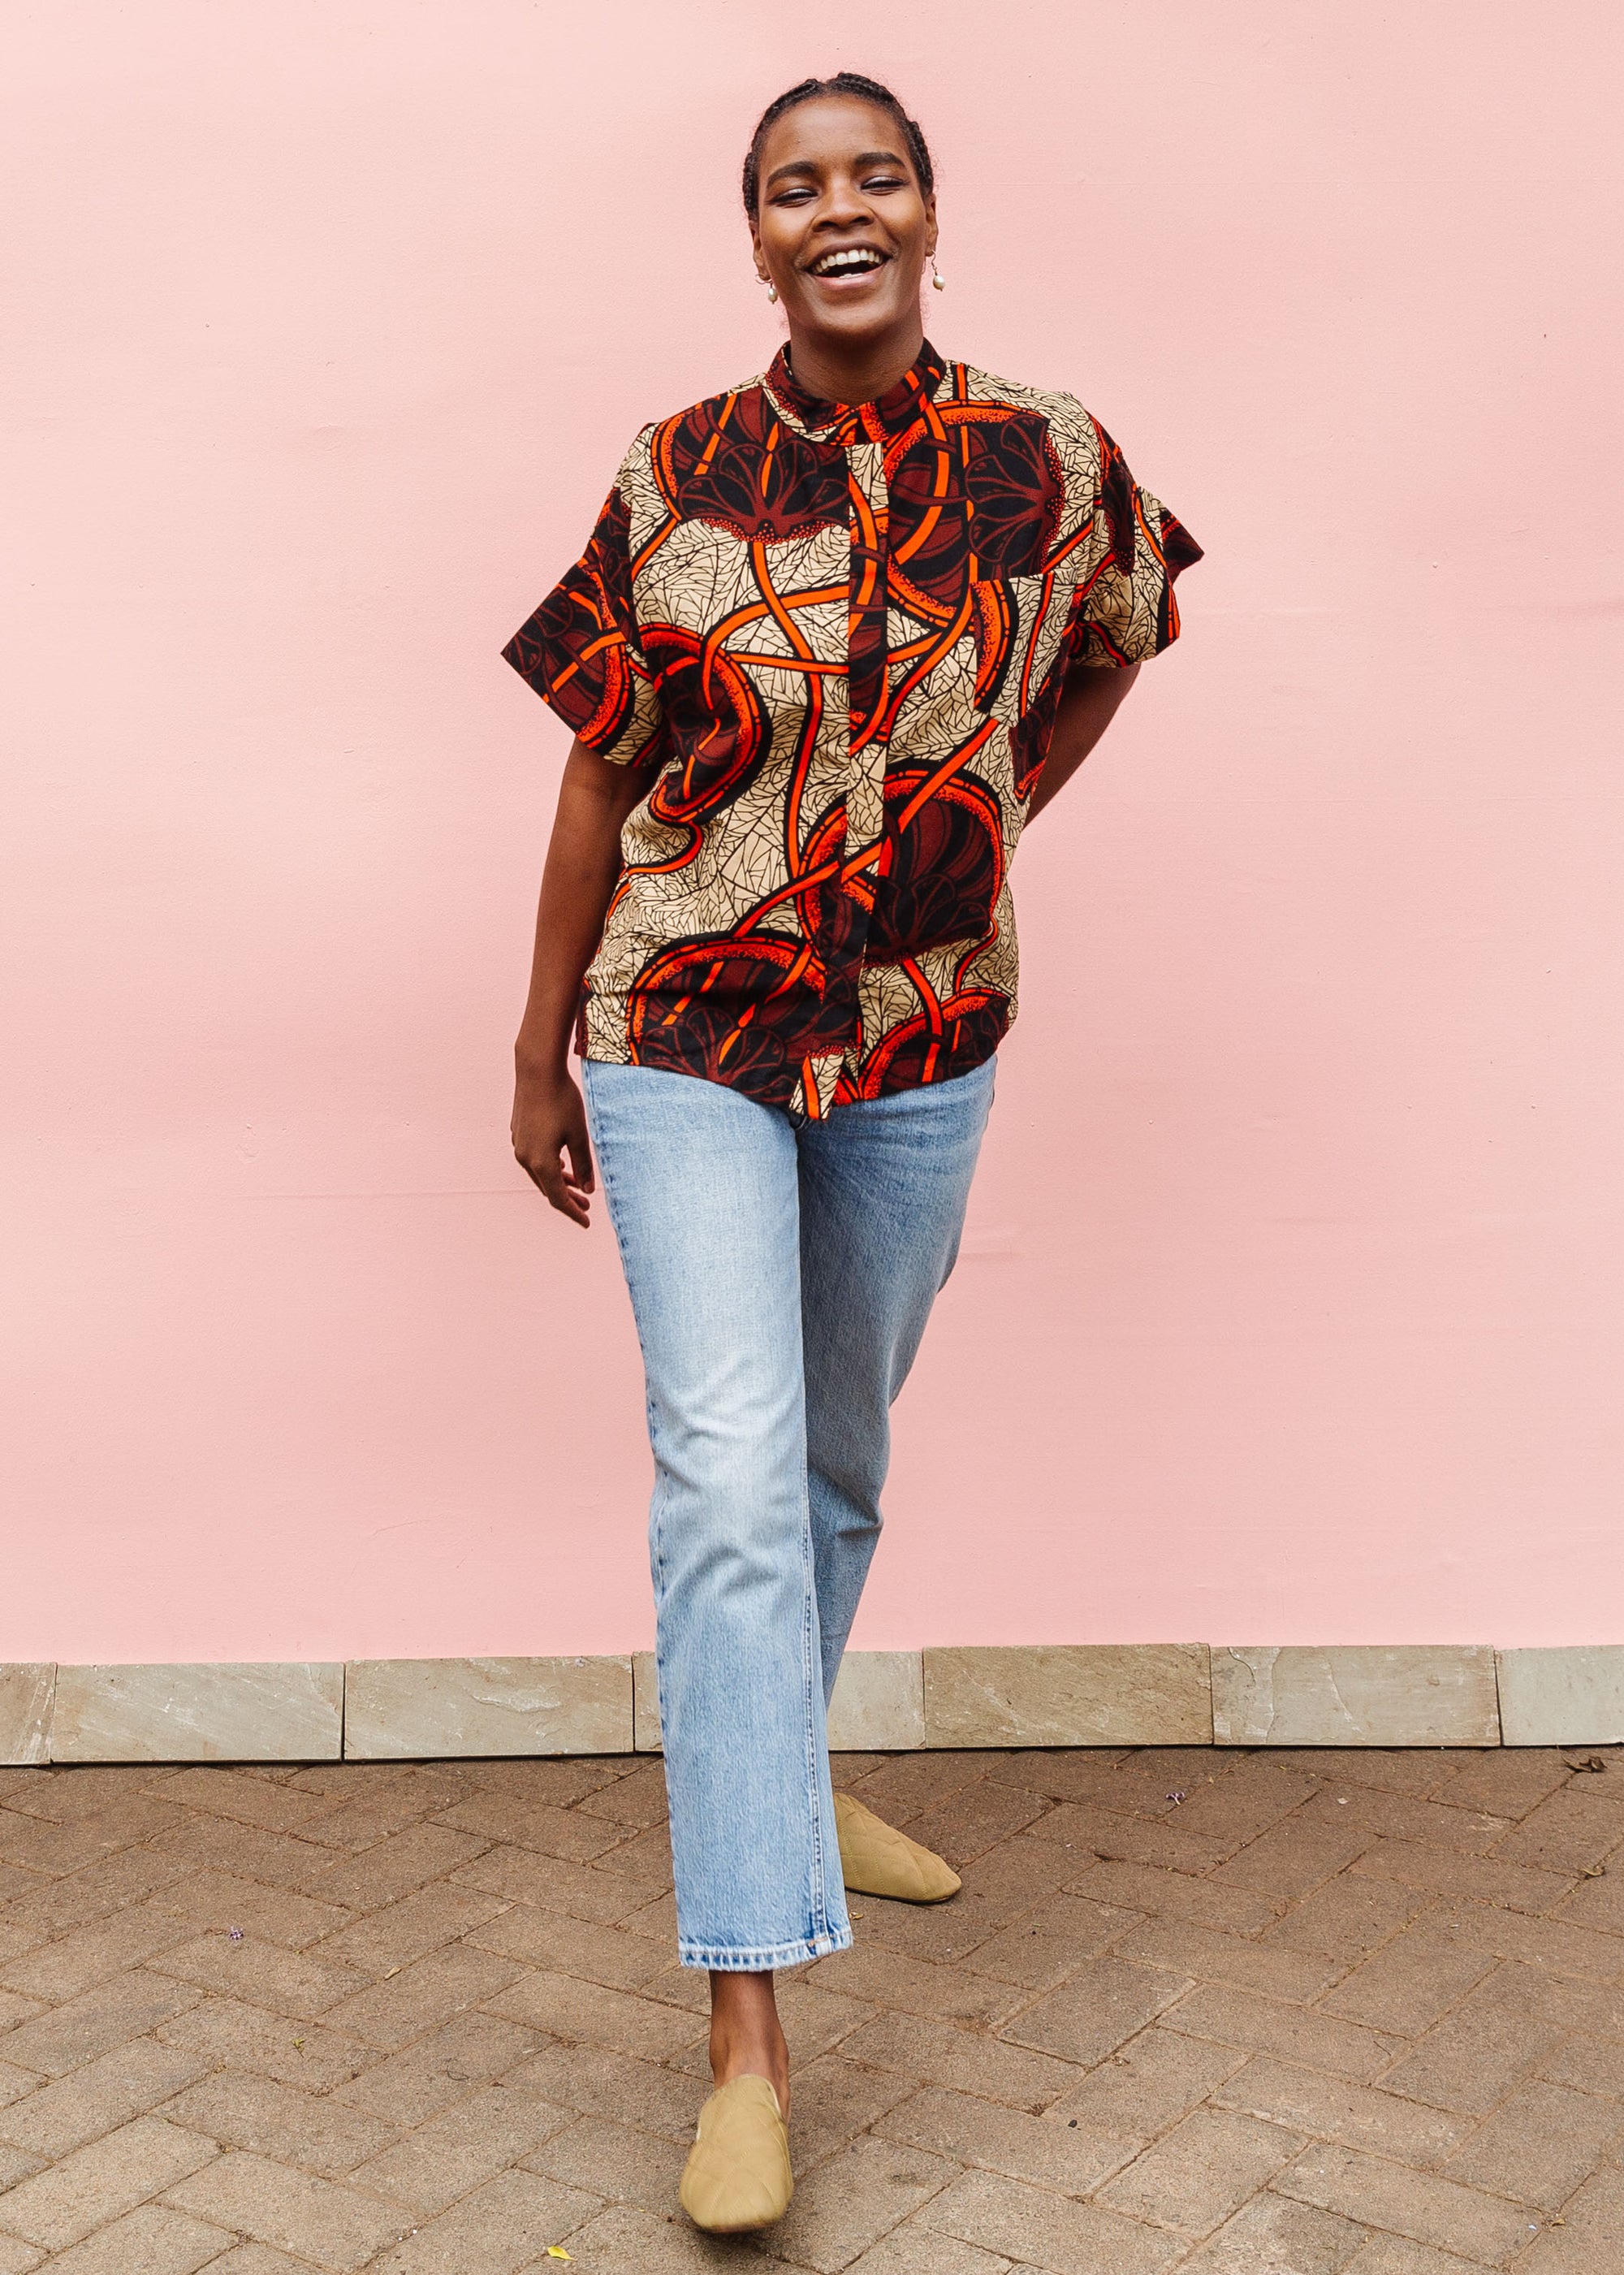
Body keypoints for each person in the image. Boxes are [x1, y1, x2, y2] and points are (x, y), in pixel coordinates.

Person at [503, 70, 1200, 2234]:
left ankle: (774, 1788)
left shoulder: (1051, 457)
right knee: (725, 1472)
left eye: (872, 175)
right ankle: (745, 2019)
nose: (838, 210)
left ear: (925, 210)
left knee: (835, 1462)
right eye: (794, 187)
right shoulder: (676, 468)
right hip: (685, 1023)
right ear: (755, 241)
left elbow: (1116, 648)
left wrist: (979, 835)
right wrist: (533, 1044)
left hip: (921, 1035)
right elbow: (608, 769)